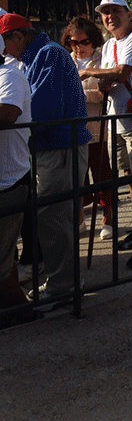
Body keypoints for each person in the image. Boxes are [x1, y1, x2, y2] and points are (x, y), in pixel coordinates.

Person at [0, 13, 90, 298]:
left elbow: (43, 108)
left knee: (54, 218)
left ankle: (64, 288)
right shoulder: (37, 56)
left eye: (4, 43)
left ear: (17, 37)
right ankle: (62, 282)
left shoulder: (48, 54)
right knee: (54, 217)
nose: (3, 52)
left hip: (59, 147)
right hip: (54, 147)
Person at [80, 0, 132, 268]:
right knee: (130, 177)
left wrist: (90, 73)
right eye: (105, 13)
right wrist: (102, 82)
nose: (110, 17)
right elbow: (110, 81)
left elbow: (121, 73)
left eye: (115, 11)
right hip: (118, 120)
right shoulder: (108, 46)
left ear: (128, 14)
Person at [62, 16, 113, 241]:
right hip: (73, 131)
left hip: (97, 128)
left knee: (101, 174)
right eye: (73, 42)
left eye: (83, 42)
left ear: (93, 41)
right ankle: (80, 217)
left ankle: (108, 218)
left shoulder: (102, 60)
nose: (79, 47)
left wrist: (79, 96)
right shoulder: (65, 60)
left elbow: (105, 93)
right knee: (77, 177)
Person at [0, 33, 36, 326]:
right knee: (5, 258)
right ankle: (19, 312)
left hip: (9, 180)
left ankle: (20, 313)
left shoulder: (8, 75)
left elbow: (8, 114)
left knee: (1, 259)